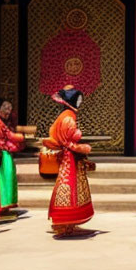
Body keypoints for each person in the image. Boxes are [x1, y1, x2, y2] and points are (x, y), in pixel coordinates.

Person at [44, 86, 96, 238]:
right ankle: (65, 220)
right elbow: (68, 142)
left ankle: (68, 222)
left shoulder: (66, 115)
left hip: (68, 156)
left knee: (67, 184)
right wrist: (84, 148)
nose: (80, 102)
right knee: (69, 185)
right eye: (78, 99)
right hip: (70, 157)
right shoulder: (68, 117)